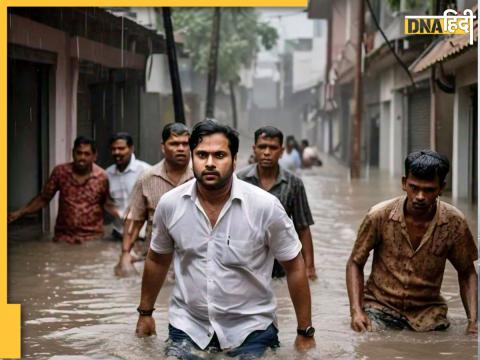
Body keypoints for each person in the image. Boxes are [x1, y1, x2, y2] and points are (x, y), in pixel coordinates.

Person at [135, 120, 316, 359]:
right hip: (188, 326)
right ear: (192, 157)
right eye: (201, 155)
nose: (209, 163)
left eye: (219, 155)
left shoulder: (265, 207)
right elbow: (157, 260)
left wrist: (305, 331)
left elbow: (294, 265)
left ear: (234, 159)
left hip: (252, 329)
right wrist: (145, 314)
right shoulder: (170, 204)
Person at [346, 150, 478, 334]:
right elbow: (355, 262)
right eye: (414, 187)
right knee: (369, 342)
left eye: (429, 190)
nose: (420, 196)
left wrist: (472, 322)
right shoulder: (379, 216)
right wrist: (356, 312)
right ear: (404, 183)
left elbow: (467, 272)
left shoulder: (455, 223)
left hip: (429, 315)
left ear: (441, 188)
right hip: (379, 308)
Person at [237, 126, 316, 280]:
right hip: (246, 263)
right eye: (262, 147)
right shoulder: (239, 180)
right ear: (254, 149)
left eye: (272, 148)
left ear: (281, 151)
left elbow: (303, 228)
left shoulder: (294, 184)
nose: (267, 152)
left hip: (281, 267)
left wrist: (310, 267)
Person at [114, 123, 193, 277]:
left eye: (186, 144)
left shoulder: (202, 177)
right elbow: (134, 221)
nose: (181, 148)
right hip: (156, 260)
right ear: (163, 147)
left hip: (193, 262)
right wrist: (125, 254)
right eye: (175, 144)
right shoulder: (147, 178)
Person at [8, 136, 119, 243]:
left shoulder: (102, 177)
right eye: (79, 153)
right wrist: (20, 212)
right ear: (73, 153)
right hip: (63, 238)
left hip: (92, 238)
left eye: (87, 154)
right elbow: (43, 198)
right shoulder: (60, 172)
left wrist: (127, 218)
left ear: (94, 156)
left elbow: (109, 204)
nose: (82, 158)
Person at [106, 132, 151, 240]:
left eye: (121, 148)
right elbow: (105, 201)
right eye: (113, 149)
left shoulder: (146, 171)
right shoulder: (107, 174)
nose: (117, 152)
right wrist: (115, 212)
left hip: (141, 235)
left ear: (131, 149)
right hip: (117, 234)